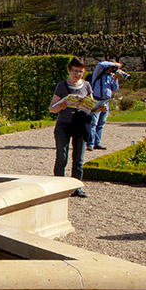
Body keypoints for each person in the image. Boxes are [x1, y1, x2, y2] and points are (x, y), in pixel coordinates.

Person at [50, 57, 93, 197]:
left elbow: (92, 104)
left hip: (80, 124)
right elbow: (52, 108)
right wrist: (61, 105)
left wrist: (99, 107)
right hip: (64, 124)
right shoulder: (61, 86)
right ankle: (59, 186)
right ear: (69, 70)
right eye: (75, 71)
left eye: (80, 72)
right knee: (62, 156)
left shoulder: (86, 86)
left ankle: (76, 187)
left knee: (79, 158)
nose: (77, 74)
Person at [88, 60, 129, 150]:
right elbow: (100, 64)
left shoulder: (111, 76)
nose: (113, 69)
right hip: (97, 99)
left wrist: (115, 79)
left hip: (106, 101)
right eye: (112, 67)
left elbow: (114, 89)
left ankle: (97, 143)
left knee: (101, 123)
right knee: (93, 122)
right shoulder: (98, 73)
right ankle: (90, 143)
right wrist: (116, 64)